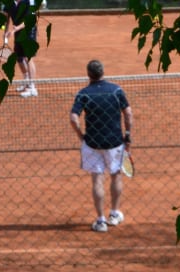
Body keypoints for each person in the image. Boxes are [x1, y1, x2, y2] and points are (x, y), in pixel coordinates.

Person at [69, 59, 133, 232]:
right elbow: (128, 113)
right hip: (114, 141)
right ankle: (114, 214)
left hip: (92, 142)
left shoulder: (84, 93)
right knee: (116, 175)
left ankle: (100, 221)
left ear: (88, 74)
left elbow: (73, 118)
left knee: (97, 179)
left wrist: (81, 136)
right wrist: (127, 136)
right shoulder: (116, 91)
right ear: (103, 72)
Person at [1, 0, 39, 97]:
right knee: (19, 58)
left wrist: (15, 29)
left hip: (29, 31)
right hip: (16, 30)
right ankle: (26, 82)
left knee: (28, 58)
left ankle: (32, 87)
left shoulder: (29, 0)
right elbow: (6, 17)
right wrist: (6, 30)